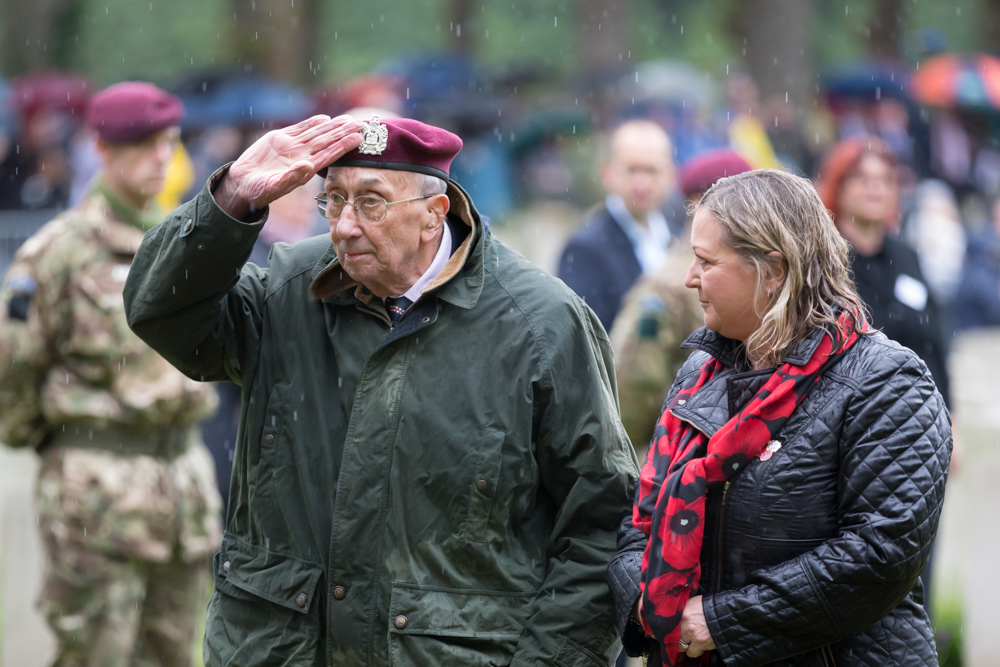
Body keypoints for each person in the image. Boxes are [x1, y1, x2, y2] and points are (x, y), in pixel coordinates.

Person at [123, 113, 637, 665]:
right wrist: (230, 201)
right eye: (333, 199)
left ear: (433, 216)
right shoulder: (290, 291)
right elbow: (161, 310)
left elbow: (601, 524)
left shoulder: (540, 324)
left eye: (370, 202)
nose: (344, 225)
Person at [607, 169, 951, 666]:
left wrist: (720, 622)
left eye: (705, 261)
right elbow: (640, 522)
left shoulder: (887, 381)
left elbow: (880, 555)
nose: (689, 277)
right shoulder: (700, 372)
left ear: (773, 270)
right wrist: (646, 603)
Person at [0, 82, 221, 666]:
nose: (159, 158)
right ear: (100, 147)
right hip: (95, 496)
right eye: (141, 144)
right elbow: (13, 374)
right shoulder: (58, 253)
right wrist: (67, 449)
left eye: (168, 142)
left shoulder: (184, 241)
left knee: (179, 653)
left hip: (182, 491)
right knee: (97, 654)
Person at [611, 149, 752, 454]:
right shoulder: (668, 285)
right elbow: (635, 382)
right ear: (695, 203)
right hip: (683, 452)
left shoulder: (755, 271)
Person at [558, 119, 679, 331]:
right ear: (608, 173)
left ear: (670, 174)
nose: (643, 184)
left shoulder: (679, 236)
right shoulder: (584, 249)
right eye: (632, 170)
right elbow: (583, 339)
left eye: (652, 170)